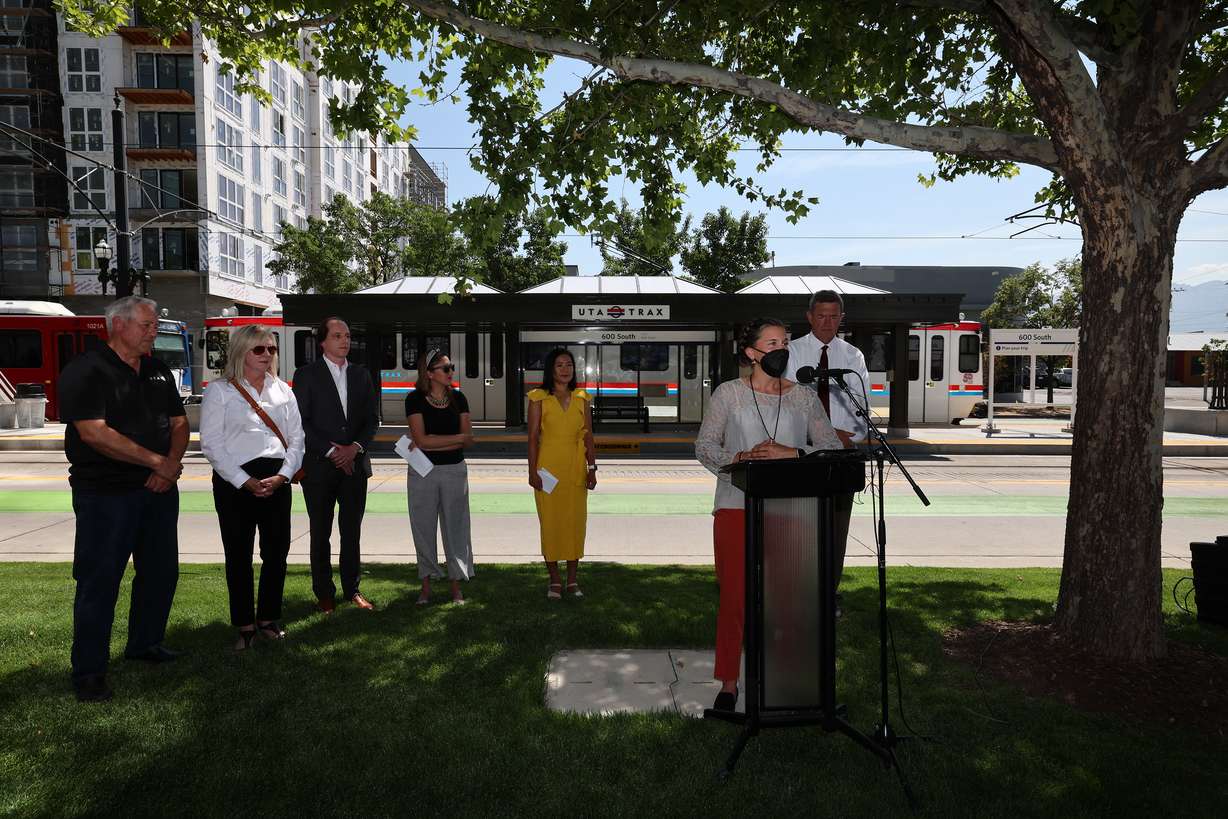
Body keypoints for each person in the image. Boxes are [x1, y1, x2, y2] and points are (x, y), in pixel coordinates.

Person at [695, 317, 841, 712]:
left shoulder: (804, 397)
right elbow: (705, 447)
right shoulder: (728, 394)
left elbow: (831, 446)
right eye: (773, 343)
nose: (782, 349)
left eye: (785, 342)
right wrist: (741, 458)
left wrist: (793, 453)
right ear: (751, 352)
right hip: (735, 507)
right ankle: (729, 683)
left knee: (789, 600)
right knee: (735, 599)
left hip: (791, 510)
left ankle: (786, 677)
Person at [58, 296, 189, 702]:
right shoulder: (86, 370)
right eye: (147, 325)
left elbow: (179, 423)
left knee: (161, 573)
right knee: (99, 581)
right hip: (105, 494)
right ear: (118, 325)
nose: (154, 332)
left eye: (155, 325)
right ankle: (90, 671)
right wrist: (157, 462)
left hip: (159, 491)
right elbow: (94, 433)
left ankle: (145, 643)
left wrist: (169, 466)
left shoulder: (157, 370)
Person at [200, 325, 305, 650]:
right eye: (259, 349)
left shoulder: (283, 390)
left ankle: (268, 618)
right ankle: (244, 625)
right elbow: (211, 444)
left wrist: (283, 476)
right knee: (238, 555)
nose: (267, 355)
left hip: (276, 479)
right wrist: (244, 481)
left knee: (277, 554)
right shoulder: (220, 391)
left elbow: (297, 439)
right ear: (241, 352)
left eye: (272, 349)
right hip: (234, 482)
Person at [781, 290, 869, 603]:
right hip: (803, 454)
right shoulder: (792, 352)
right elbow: (787, 405)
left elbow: (862, 408)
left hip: (842, 454)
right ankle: (800, 594)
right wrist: (819, 436)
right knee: (802, 528)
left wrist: (850, 436)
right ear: (809, 317)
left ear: (842, 318)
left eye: (834, 316)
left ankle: (829, 595)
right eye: (821, 315)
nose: (827, 322)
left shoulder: (853, 356)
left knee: (836, 530)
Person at [292, 316, 379, 613]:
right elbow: (301, 422)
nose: (345, 341)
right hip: (319, 467)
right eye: (338, 336)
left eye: (348, 336)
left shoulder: (361, 375)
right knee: (320, 533)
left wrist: (354, 449)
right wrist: (332, 452)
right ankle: (324, 594)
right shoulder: (306, 375)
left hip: (354, 467)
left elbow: (371, 420)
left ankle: (352, 590)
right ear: (323, 342)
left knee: (351, 532)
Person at [405, 349, 476, 605]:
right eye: (445, 368)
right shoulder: (414, 399)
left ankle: (456, 586)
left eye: (451, 367)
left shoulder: (459, 398)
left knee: (457, 528)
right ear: (429, 373)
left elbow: (467, 440)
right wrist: (452, 439)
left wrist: (433, 440)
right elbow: (422, 441)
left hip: (455, 470)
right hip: (422, 472)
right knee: (422, 527)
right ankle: (426, 586)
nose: (451, 372)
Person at [526, 348, 596, 599]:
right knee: (551, 523)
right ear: (550, 369)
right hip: (548, 469)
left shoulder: (582, 397)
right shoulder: (538, 398)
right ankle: (554, 580)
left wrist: (592, 468)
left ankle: (572, 580)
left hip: (576, 468)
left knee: (575, 523)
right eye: (560, 365)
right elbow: (532, 438)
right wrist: (532, 472)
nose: (565, 370)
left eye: (569, 365)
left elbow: (588, 436)